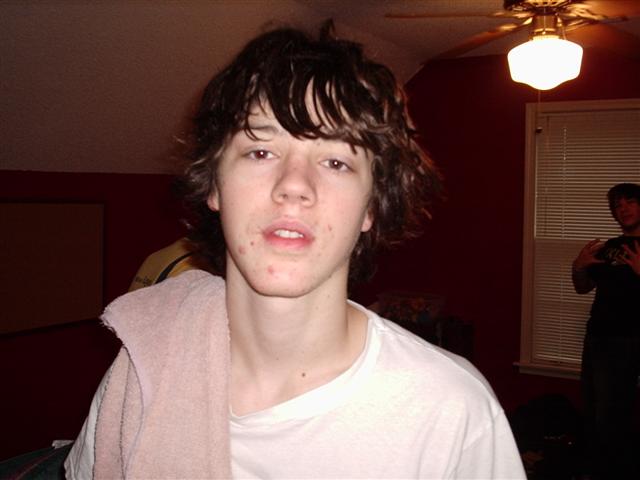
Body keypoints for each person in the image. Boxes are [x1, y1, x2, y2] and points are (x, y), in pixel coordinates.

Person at [64, 22, 526, 479]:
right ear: (214, 184)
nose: (294, 186)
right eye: (261, 152)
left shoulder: (450, 413)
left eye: (336, 161)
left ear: (371, 206)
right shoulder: (144, 365)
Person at [571, 183, 640, 479]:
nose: (622, 209)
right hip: (599, 338)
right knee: (596, 410)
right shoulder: (610, 247)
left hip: (631, 339)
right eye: (617, 205)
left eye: (629, 202)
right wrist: (579, 265)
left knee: (615, 415)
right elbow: (582, 287)